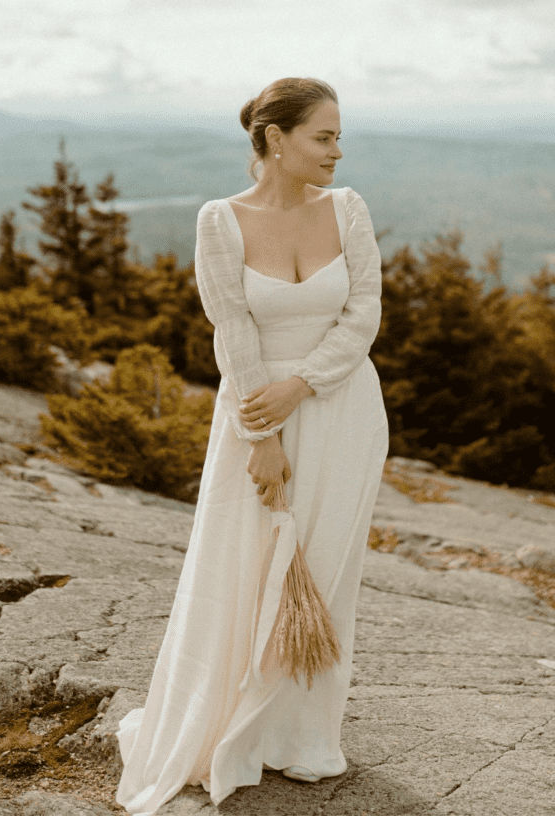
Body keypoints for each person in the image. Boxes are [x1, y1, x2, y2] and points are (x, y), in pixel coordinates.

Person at [115, 77, 390, 812]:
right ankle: (225, 722)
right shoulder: (220, 221)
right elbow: (231, 330)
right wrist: (260, 434)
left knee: (326, 571)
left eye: (337, 136)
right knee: (240, 565)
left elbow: (364, 315)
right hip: (253, 412)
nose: (338, 150)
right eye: (323, 136)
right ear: (276, 139)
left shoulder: (349, 208)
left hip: (343, 408)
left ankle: (301, 738)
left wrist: (301, 386)